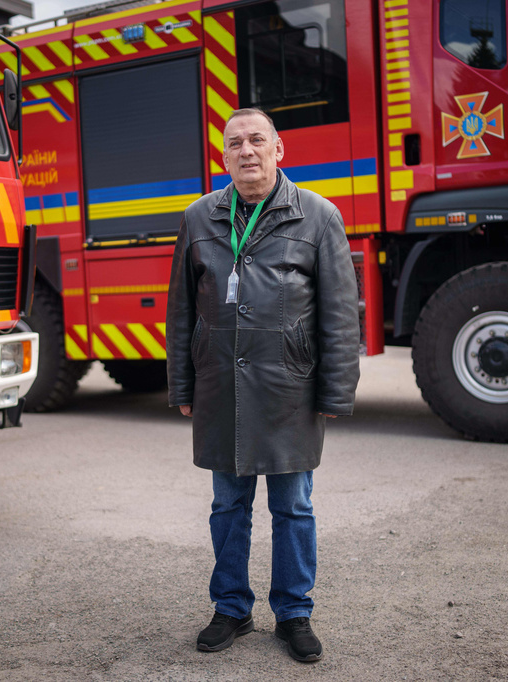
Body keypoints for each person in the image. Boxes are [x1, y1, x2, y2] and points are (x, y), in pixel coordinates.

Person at [165, 108, 361, 663]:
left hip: (289, 389)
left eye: (257, 140)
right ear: (223, 157)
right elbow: (182, 313)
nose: (246, 150)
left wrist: (336, 392)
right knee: (228, 504)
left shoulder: (319, 217)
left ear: (280, 149)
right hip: (220, 389)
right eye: (235, 143)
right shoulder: (199, 218)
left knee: (294, 505)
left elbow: (340, 316)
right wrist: (183, 384)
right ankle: (231, 608)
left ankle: (294, 613)